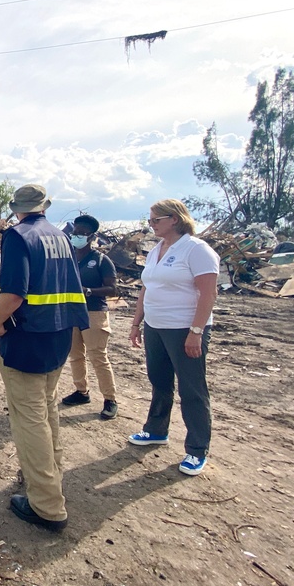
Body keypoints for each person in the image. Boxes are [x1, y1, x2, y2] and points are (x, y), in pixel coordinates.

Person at [0, 184, 89, 531]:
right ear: (44, 206)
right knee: (47, 410)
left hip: (27, 338)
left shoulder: (18, 236)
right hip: (60, 335)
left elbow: (14, 293)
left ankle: (46, 504)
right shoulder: (61, 236)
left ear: (17, 208)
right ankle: (50, 477)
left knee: (28, 417)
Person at [128, 199, 219, 476]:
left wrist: (196, 331)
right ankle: (156, 430)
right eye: (150, 220)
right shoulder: (157, 249)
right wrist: (136, 322)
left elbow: (208, 293)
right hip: (156, 326)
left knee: (191, 388)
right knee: (159, 381)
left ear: (175, 219)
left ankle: (196, 449)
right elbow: (147, 287)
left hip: (184, 328)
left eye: (156, 220)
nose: (151, 224)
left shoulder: (196, 250)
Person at [60, 214, 120, 419]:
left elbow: (113, 288)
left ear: (92, 236)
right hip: (72, 311)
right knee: (75, 354)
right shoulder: (69, 258)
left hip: (94, 312)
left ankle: (110, 399)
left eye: (82, 233)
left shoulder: (101, 260)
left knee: (98, 356)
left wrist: (90, 291)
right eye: (74, 232)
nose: (77, 236)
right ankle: (81, 391)